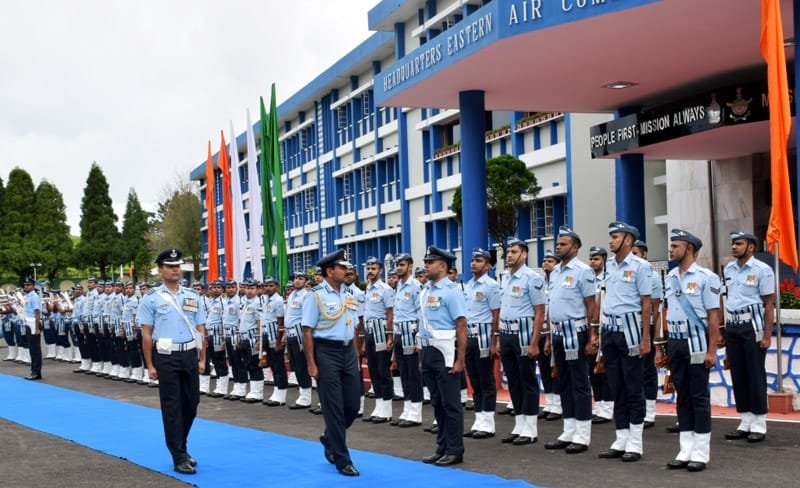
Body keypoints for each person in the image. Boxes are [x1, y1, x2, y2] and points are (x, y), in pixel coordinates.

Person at [139, 248, 207, 475]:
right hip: (165, 356)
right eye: (169, 266)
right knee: (172, 407)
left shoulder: (192, 296)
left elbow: (200, 328)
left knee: (192, 404)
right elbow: (147, 333)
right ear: (160, 270)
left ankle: (182, 446)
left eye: (177, 266)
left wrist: (202, 358)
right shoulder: (151, 298)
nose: (175, 270)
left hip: (189, 354)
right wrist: (149, 364)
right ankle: (178, 455)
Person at [657, 229, 721, 472]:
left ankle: (701, 452)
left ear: (690, 249)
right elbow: (665, 311)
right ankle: (685, 449)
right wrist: (661, 346)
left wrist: (712, 350)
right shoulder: (671, 276)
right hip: (675, 341)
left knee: (698, 396)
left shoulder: (707, 277)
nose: (670, 249)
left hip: (696, 341)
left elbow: (714, 316)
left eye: (675, 246)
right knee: (682, 395)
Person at [302, 249, 362, 477]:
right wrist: (311, 364)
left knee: (352, 406)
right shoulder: (315, 295)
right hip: (326, 352)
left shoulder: (349, 294)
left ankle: (329, 438)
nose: (347, 270)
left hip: (347, 352)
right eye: (342, 267)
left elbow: (353, 326)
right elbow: (307, 331)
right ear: (330, 271)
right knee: (334, 407)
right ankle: (342, 459)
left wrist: (355, 355)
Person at [597, 222, 652, 463]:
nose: (610, 241)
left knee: (633, 387)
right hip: (609, 330)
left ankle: (636, 442)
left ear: (628, 240)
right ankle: (621, 437)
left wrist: (646, 337)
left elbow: (646, 303)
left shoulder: (641, 266)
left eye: (615, 236)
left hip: (630, 329)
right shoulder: (608, 266)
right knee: (615, 385)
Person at [544, 226, 598, 454]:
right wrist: (548, 338)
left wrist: (592, 336)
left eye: (563, 243)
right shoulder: (555, 272)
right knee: (562, 382)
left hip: (575, 332)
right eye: (558, 243)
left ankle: (583, 434)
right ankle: (568, 429)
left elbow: (591, 305)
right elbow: (552, 305)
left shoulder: (583, 271)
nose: (558, 246)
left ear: (575, 247)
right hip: (557, 333)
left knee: (579, 383)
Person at [722, 230, 775, 443]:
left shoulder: (763, 270)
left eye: (739, 243)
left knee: (755, 373)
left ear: (751, 247)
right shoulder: (729, 269)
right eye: (733, 243)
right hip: (733, 326)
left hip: (753, 327)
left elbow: (769, 304)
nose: (734, 246)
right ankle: (745, 420)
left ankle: (759, 423)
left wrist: (767, 335)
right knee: (738, 374)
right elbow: (727, 298)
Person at [419, 246, 468, 466]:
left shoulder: (452, 291)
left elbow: (461, 325)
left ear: (443, 265)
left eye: (430, 262)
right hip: (428, 350)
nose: (426, 265)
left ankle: (455, 449)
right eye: (426, 261)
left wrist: (460, 359)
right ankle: (442, 446)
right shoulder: (426, 291)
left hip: (446, 351)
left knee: (451, 403)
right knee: (437, 402)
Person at [498, 237, 546, 446]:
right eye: (508, 251)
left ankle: (531, 428)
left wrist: (534, 342)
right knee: (513, 380)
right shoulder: (505, 277)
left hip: (524, 333)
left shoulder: (532, 278)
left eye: (514, 251)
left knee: (527, 380)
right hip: (506, 333)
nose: (510, 255)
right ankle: (519, 423)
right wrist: (499, 338)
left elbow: (540, 311)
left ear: (524, 254)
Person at [463, 247, 500, 439]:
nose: (473, 263)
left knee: (486, 379)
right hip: (469, 336)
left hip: (485, 335)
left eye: (478, 260)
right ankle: (479, 419)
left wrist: (495, 340)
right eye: (472, 260)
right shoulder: (467, 285)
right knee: (475, 379)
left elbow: (496, 314)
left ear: (487, 265)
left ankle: (488, 422)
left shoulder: (491, 285)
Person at [359, 256, 396, 423]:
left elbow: (390, 313)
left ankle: (386, 409)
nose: (370, 271)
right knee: (373, 369)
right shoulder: (368, 288)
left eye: (373, 268)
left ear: (380, 270)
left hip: (381, 330)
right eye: (368, 268)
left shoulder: (385, 289)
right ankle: (379, 405)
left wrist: (389, 335)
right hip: (369, 331)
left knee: (382, 369)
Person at [631, 240, 663, 429]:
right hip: (630, 326)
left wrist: (656, 337)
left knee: (648, 370)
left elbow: (656, 309)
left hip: (647, 327)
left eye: (636, 253)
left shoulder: (652, 276)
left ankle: (649, 411)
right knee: (633, 371)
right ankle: (637, 408)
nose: (632, 257)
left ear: (644, 255)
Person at [391, 252, 424, 427]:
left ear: (410, 266)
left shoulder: (415, 286)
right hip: (399, 333)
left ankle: (416, 412)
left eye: (402, 265)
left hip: (410, 332)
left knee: (412, 373)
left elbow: (420, 313)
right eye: (397, 265)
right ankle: (407, 408)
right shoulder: (399, 286)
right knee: (403, 372)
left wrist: (418, 337)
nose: (398, 268)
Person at [587, 246, 614, 424]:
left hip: (607, 327)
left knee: (605, 369)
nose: (592, 262)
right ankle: (599, 404)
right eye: (591, 259)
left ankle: (608, 407)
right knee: (593, 369)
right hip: (591, 328)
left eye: (596, 259)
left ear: (604, 259)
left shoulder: (608, 277)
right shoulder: (588, 279)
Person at [539, 249, 563, 421]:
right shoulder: (540, 283)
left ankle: (558, 404)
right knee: (545, 367)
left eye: (550, 261)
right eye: (545, 261)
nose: (546, 263)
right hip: (541, 330)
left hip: (556, 329)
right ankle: (550, 401)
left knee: (556, 369)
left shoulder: (560, 282)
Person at [285, 271, 314, 409]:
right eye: (296, 278)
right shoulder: (292, 295)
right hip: (290, 333)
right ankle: (302, 393)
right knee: (295, 365)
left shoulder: (306, 296)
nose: (297, 281)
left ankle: (306, 397)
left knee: (302, 366)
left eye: (300, 278)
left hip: (300, 334)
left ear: (306, 281)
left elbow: (307, 318)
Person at [261, 277, 288, 406]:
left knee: (279, 365)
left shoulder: (278, 300)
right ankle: (276, 391)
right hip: (267, 335)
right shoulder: (266, 300)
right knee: (272, 364)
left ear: (276, 287)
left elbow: (281, 322)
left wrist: (278, 341)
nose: (268, 288)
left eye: (271, 285)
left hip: (275, 336)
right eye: (266, 285)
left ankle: (281, 393)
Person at [239, 280, 264, 403]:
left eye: (252, 288)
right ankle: (253, 390)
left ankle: (257, 392)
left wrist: (259, 340)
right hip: (244, 337)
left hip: (253, 337)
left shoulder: (257, 303)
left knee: (255, 365)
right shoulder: (244, 302)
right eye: (247, 288)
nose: (249, 290)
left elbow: (259, 322)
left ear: (257, 289)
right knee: (248, 364)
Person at [205, 280, 230, 398]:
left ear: (222, 289)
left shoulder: (223, 302)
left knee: (220, 360)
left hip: (218, 334)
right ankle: (219, 385)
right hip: (209, 333)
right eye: (213, 287)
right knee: (214, 360)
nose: (216, 289)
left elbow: (224, 320)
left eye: (218, 287)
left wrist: (224, 337)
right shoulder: (209, 301)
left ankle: (223, 387)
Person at [22, 278, 43, 380]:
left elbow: (37, 312)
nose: (26, 286)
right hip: (28, 322)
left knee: (35, 349)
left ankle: (36, 372)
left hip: (33, 323)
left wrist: (37, 327)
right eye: (25, 284)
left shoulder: (34, 296)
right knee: (32, 348)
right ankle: (34, 371)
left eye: (29, 285)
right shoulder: (27, 296)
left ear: (33, 286)